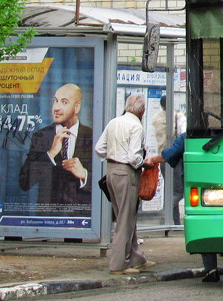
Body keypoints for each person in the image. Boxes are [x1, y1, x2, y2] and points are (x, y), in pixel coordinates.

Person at [146, 133, 220, 283]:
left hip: (199, 184)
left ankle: (211, 268)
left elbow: (170, 154)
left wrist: (152, 160)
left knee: (204, 223)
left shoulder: (189, 136)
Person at [95, 93, 154, 275]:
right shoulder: (136, 126)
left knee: (125, 215)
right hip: (127, 172)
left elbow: (99, 148)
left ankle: (136, 258)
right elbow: (134, 157)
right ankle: (119, 264)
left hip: (111, 170)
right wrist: (145, 163)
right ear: (142, 111)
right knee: (124, 220)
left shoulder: (114, 122)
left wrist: (113, 155)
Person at [18, 83, 93, 215]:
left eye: (64, 102)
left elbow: (107, 182)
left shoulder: (92, 136)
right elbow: (24, 182)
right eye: (56, 101)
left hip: (81, 216)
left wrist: (84, 175)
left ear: (77, 107)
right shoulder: (41, 136)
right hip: (49, 216)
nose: (56, 108)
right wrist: (50, 154)